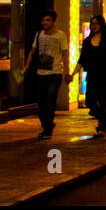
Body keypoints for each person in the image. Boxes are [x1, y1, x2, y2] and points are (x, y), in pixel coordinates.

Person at [69, 15, 106, 137]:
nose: (94, 26)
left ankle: (103, 127)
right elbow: (81, 60)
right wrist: (72, 74)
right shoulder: (87, 42)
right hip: (92, 75)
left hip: (105, 75)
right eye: (92, 23)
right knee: (90, 101)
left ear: (101, 25)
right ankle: (102, 117)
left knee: (103, 101)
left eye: (96, 23)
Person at [23, 11, 67, 139]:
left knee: (50, 98)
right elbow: (32, 51)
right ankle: (46, 124)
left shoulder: (60, 35)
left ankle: (47, 128)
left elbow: (64, 53)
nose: (44, 22)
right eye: (43, 20)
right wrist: (26, 65)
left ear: (53, 22)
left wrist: (67, 72)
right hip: (40, 73)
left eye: (47, 20)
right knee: (41, 102)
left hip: (55, 73)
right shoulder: (39, 34)